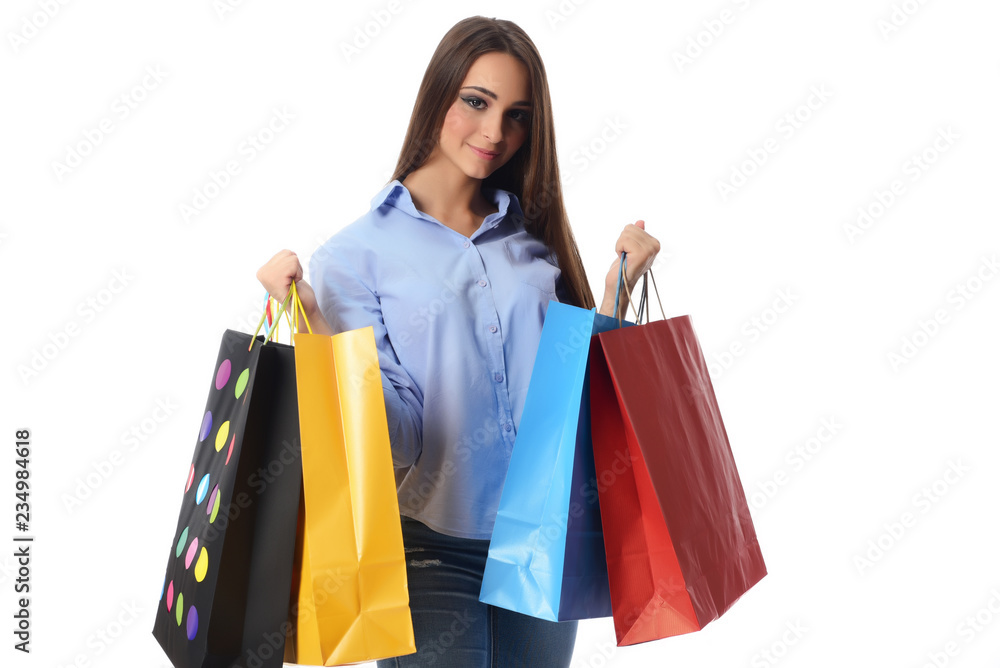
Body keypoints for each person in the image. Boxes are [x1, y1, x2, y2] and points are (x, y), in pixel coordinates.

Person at [256, 15, 660, 668]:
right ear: (438, 94)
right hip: (428, 549)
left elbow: (572, 412)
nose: (495, 132)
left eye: (517, 114)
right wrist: (316, 332)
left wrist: (616, 293)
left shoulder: (533, 248)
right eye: (477, 101)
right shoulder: (356, 256)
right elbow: (395, 441)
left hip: (541, 544)